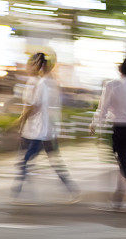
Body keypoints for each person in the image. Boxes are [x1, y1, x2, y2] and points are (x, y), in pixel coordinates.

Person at [11, 52, 79, 203]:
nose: (29, 67)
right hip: (43, 130)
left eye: (32, 64)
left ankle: (18, 193)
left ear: (39, 66)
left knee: (25, 161)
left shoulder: (41, 83)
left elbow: (33, 106)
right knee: (51, 160)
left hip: (38, 131)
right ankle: (71, 189)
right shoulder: (50, 82)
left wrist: (19, 121)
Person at [90, 56, 126, 210]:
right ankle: (119, 197)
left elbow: (103, 108)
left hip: (119, 129)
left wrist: (95, 124)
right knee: (124, 162)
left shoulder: (112, 85)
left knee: (123, 163)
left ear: (119, 70)